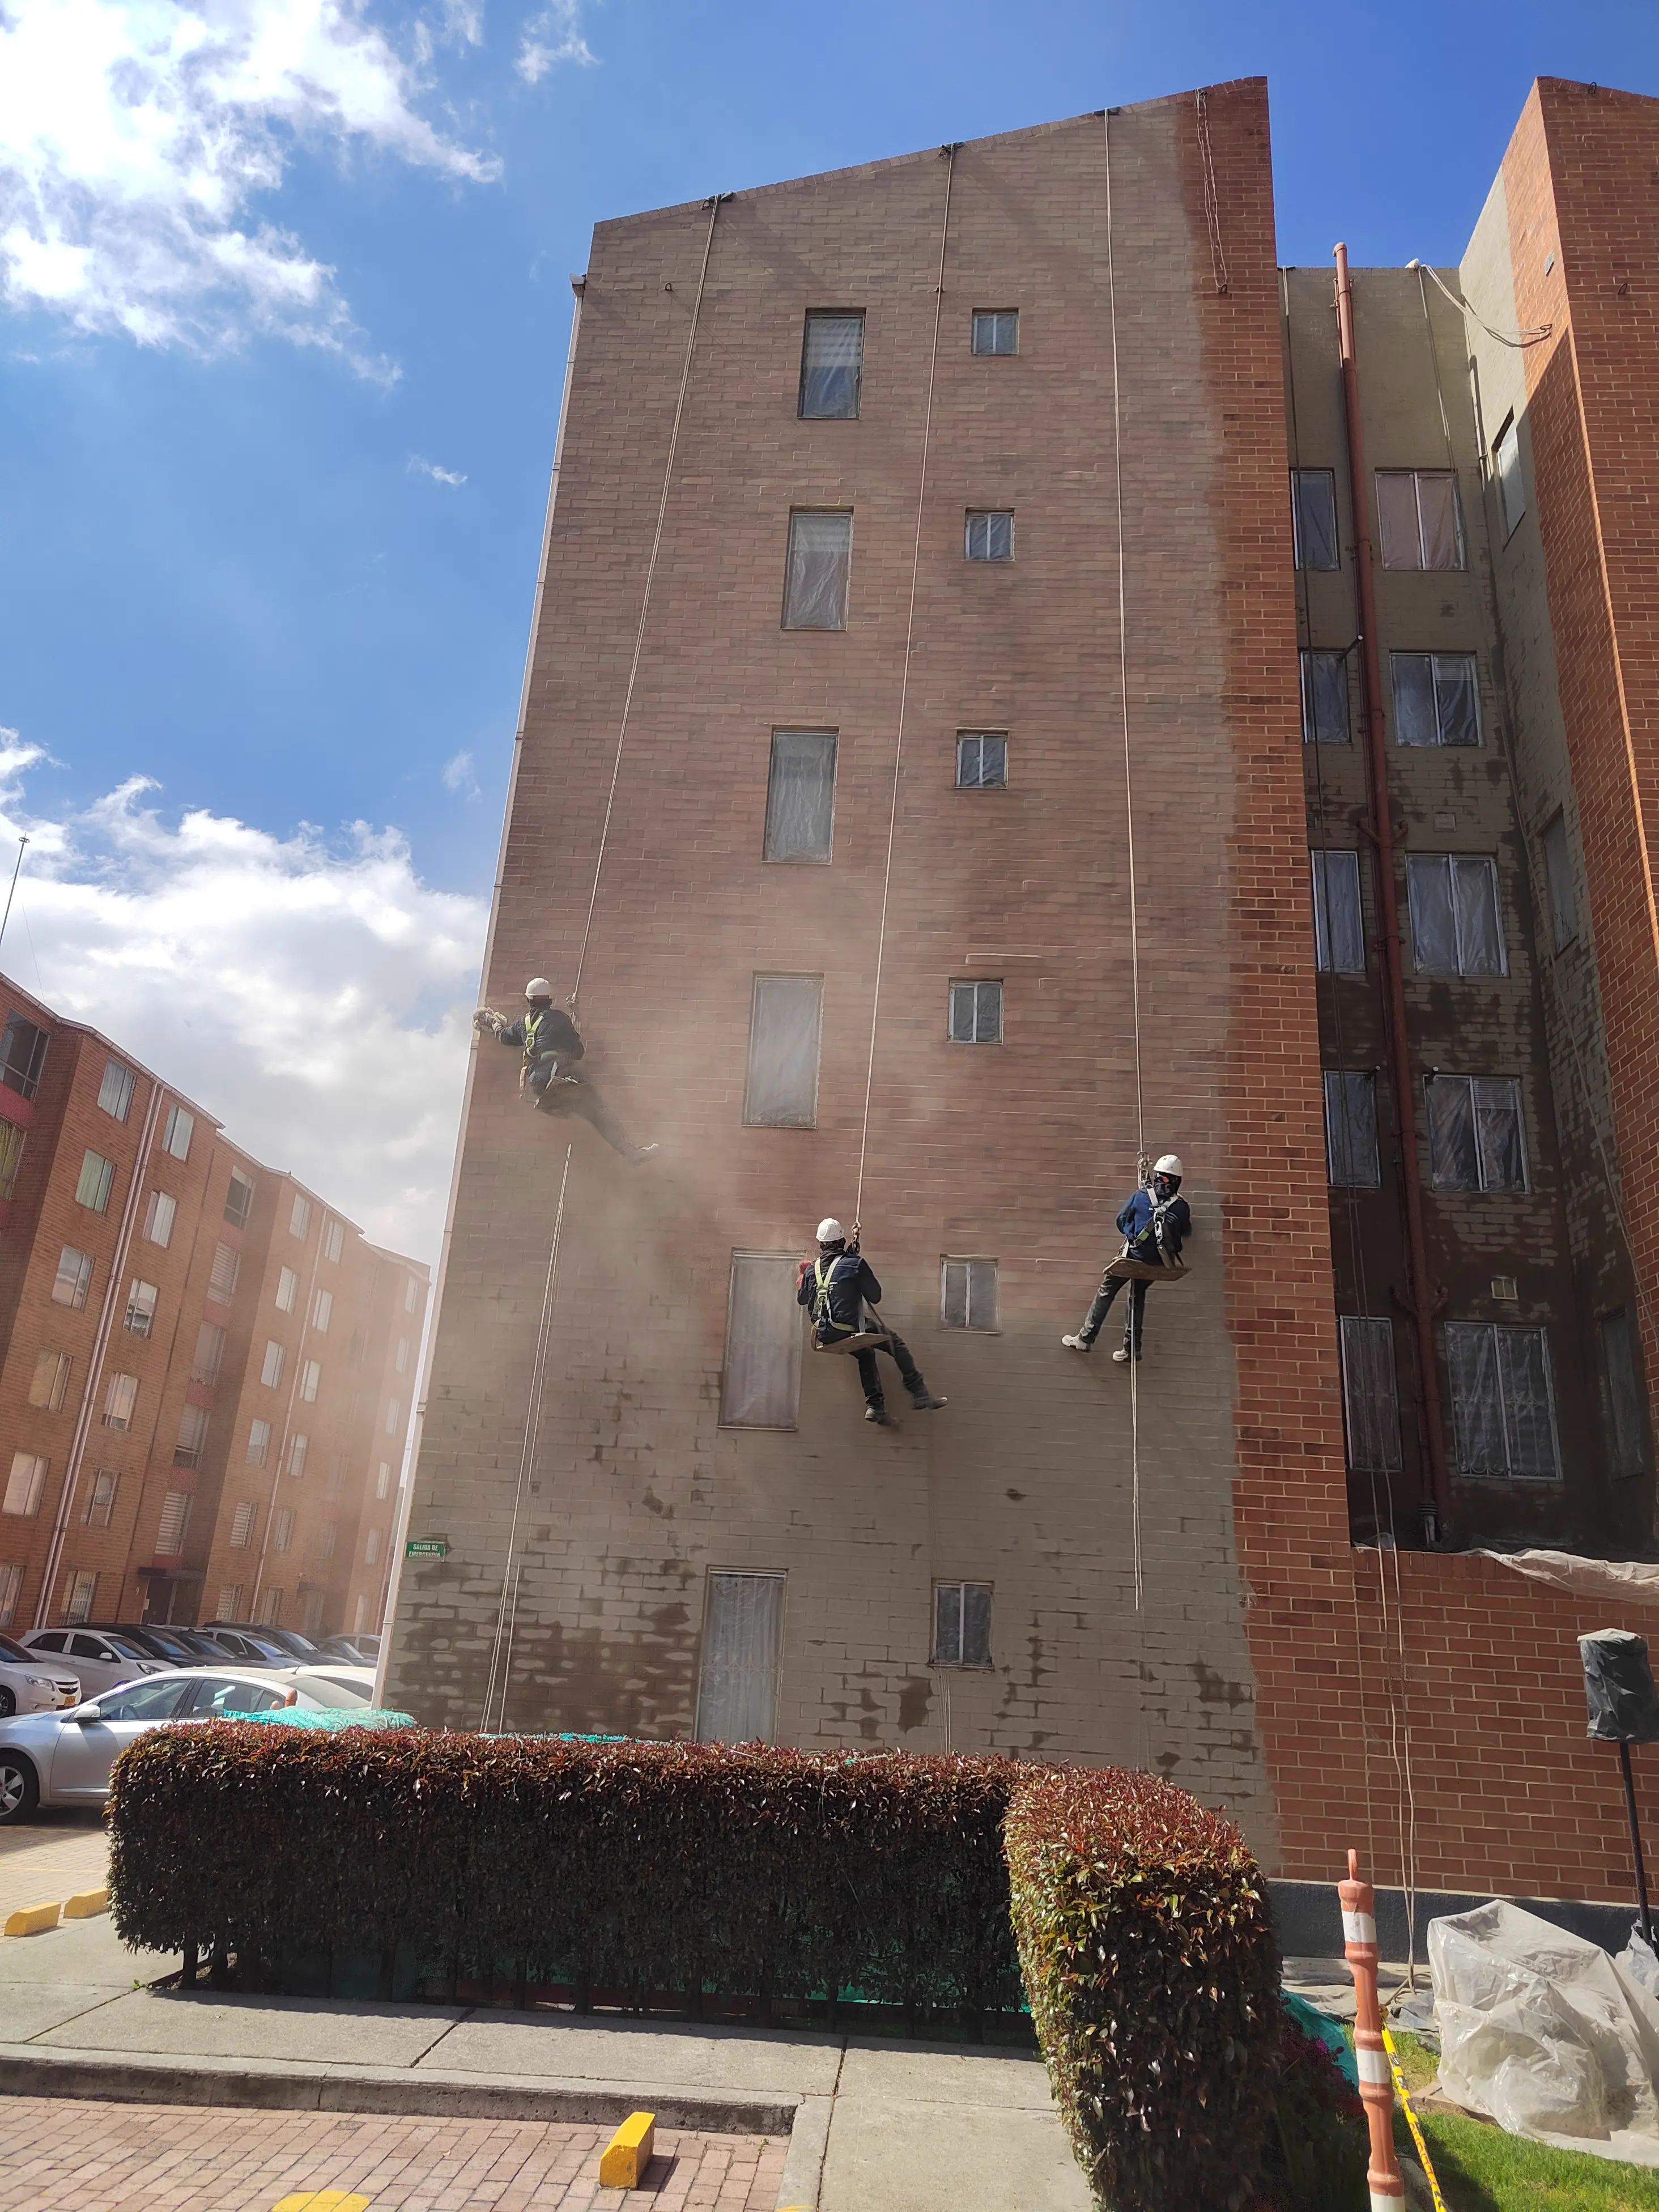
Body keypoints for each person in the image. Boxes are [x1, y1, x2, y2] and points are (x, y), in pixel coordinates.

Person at [474, 979, 657, 1164]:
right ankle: (630, 1152)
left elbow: (505, 1036)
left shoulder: (524, 1024)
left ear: (529, 1000)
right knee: (599, 1112)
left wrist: (491, 1023)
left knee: (585, 1106)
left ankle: (629, 1151)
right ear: (551, 999)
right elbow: (578, 1051)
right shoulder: (559, 1018)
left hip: (539, 1085)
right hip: (557, 1077)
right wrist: (574, 1024)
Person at [798, 1218, 947, 1427]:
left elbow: (803, 1300)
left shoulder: (812, 1270)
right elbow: (875, 1296)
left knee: (866, 1354)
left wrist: (805, 1280)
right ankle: (919, 1393)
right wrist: (856, 1274)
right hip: (849, 1329)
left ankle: (876, 1407)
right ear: (842, 1241)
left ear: (821, 1244)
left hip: (826, 1335)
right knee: (895, 1343)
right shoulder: (854, 1264)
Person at [1062, 1154, 1191, 1363]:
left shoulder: (1141, 1196)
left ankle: (1086, 1338)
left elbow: (1122, 1221)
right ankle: (1132, 1349)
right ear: (1178, 1181)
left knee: (1107, 1291)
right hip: (1158, 1264)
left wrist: (1134, 1233)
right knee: (1136, 1298)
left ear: (1158, 1175)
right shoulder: (1182, 1206)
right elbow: (1185, 1232)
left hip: (1132, 1258)